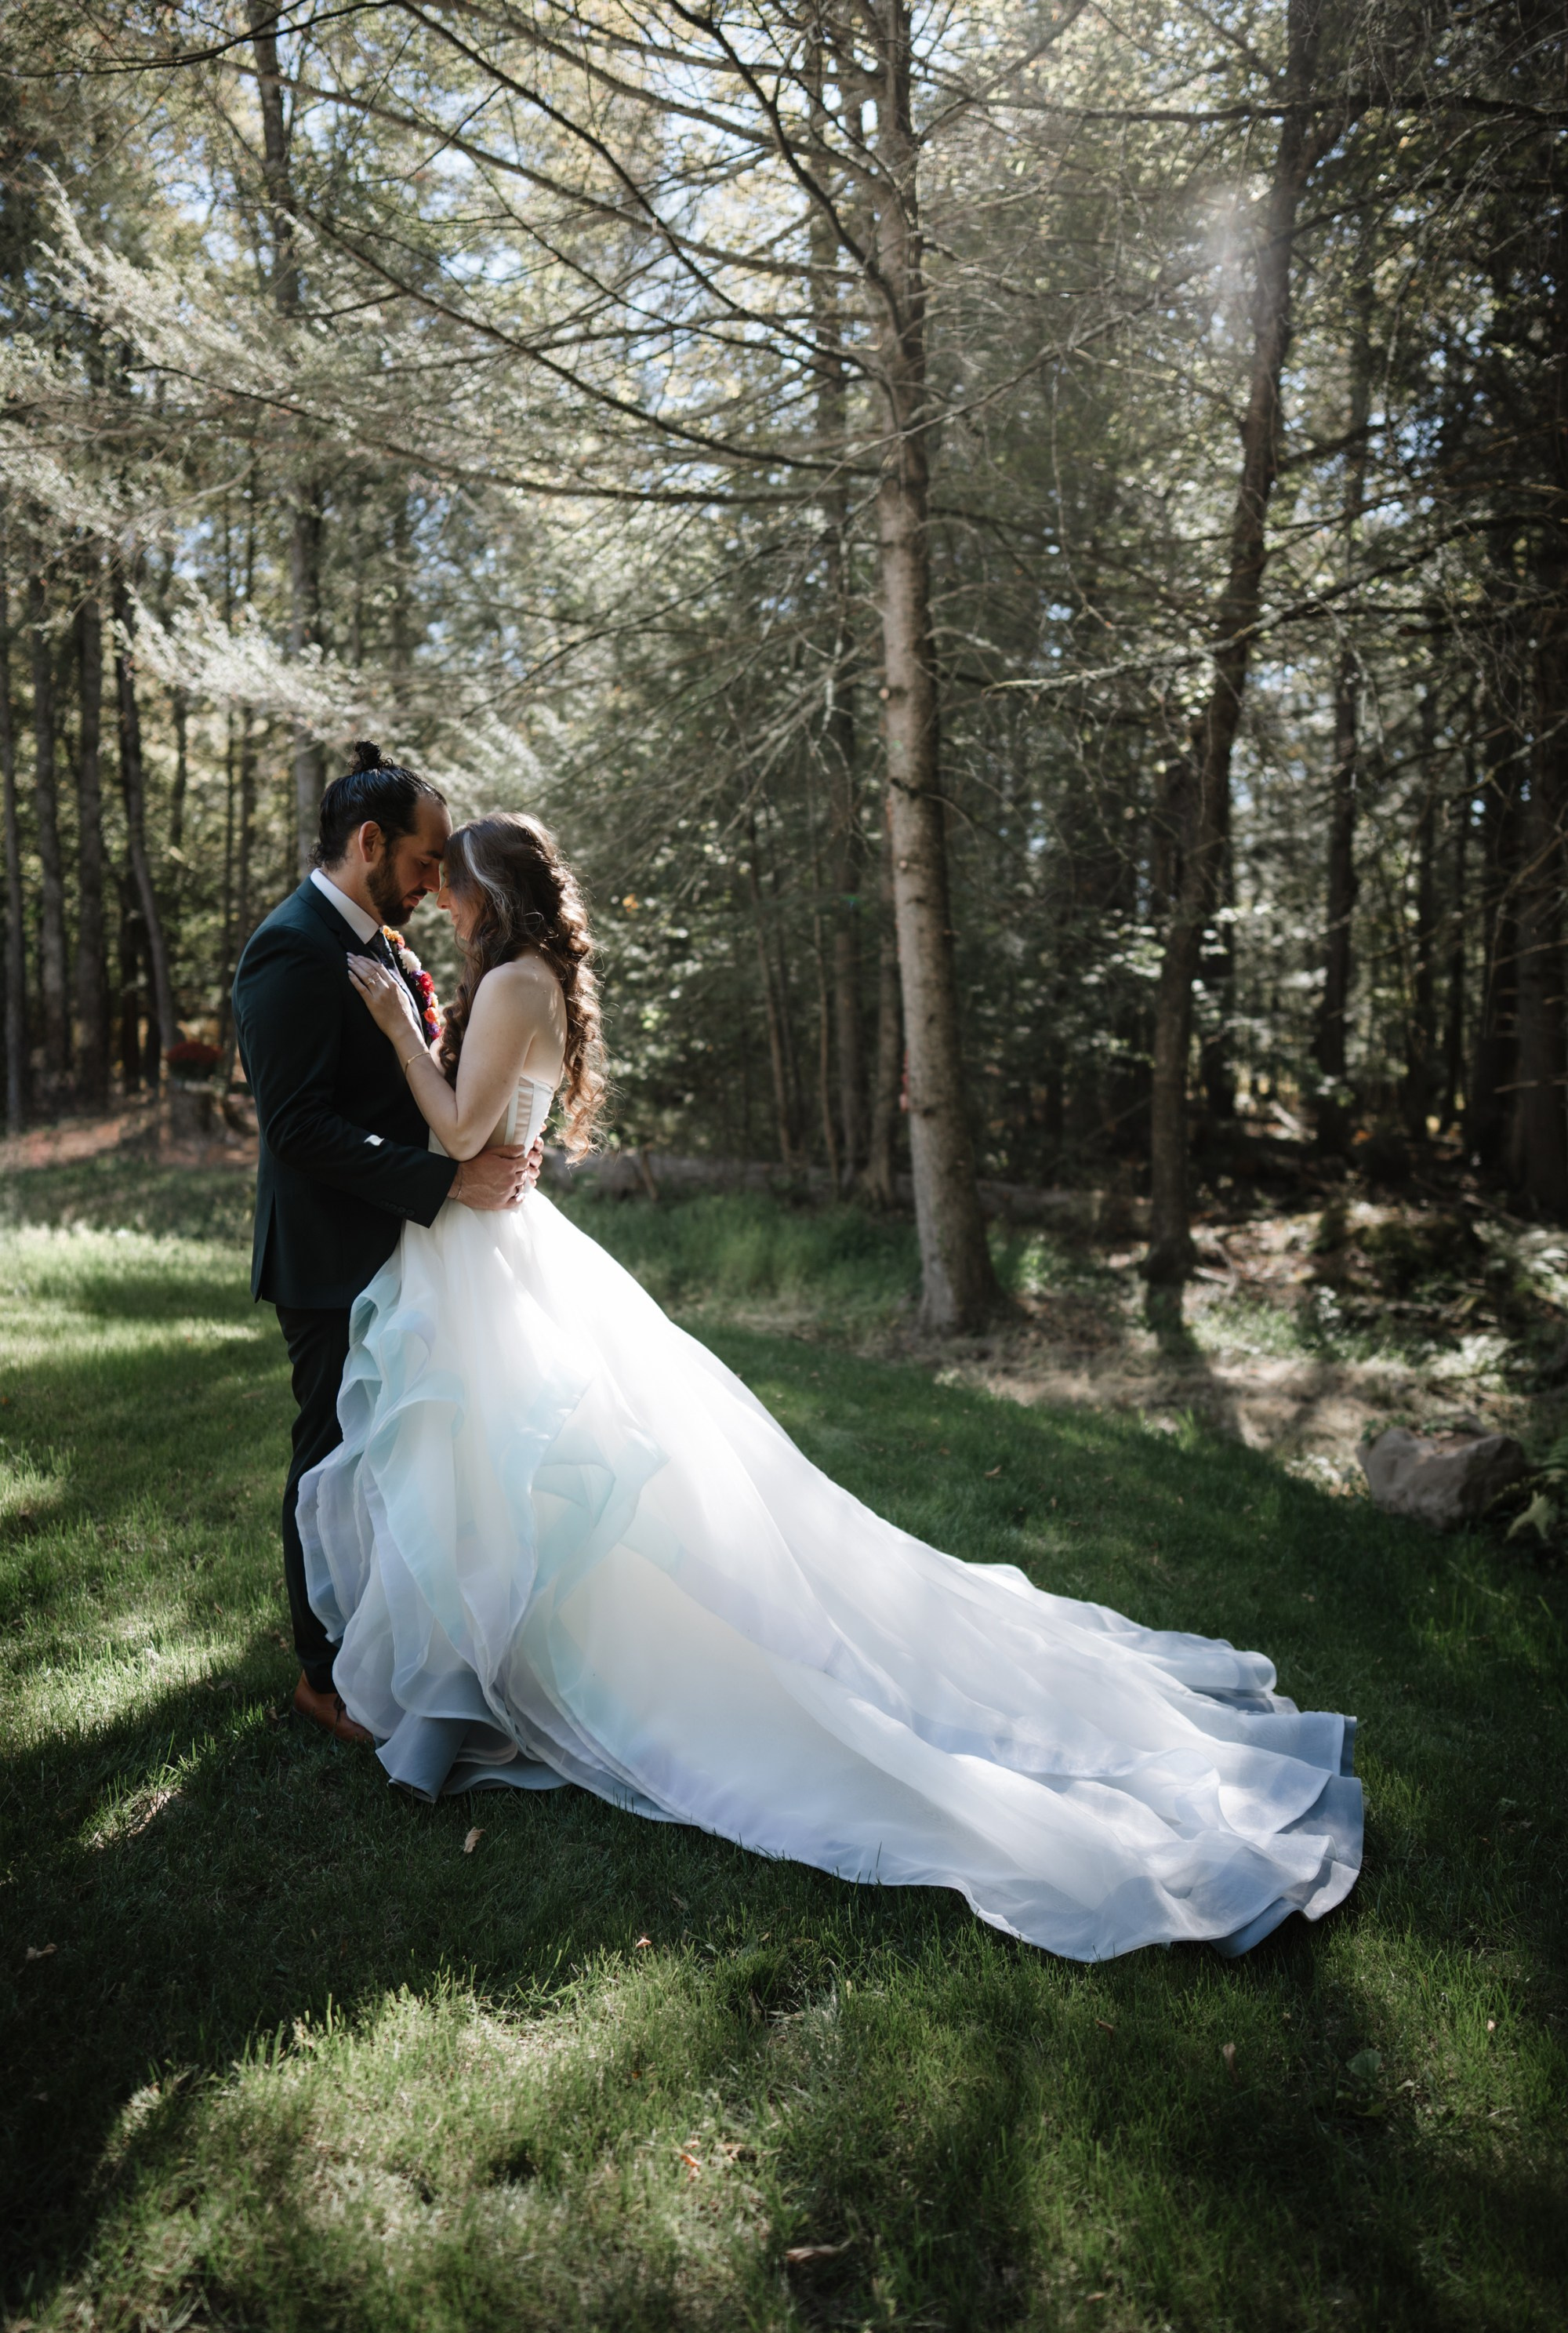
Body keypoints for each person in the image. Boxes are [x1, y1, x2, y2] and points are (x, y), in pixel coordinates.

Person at [303, 809, 1362, 1962]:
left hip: (488, 1252)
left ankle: (523, 1686)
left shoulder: (509, 983)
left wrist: (397, 1025)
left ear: (487, 892)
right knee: (497, 1481)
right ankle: (481, 1682)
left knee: (520, 1481)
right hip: (494, 1246)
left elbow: (461, 1129)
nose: (438, 902)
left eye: (448, 886)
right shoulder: (524, 979)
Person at [232, 746, 540, 1746]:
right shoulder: (292, 948)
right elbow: (298, 1126)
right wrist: (447, 1177)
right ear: (370, 843)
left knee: (395, 1459)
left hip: (407, 1245)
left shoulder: (381, 942)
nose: (436, 878)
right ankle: (321, 1679)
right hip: (328, 1255)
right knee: (329, 1459)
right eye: (426, 856)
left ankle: (393, 1644)